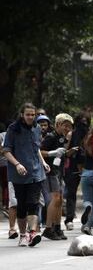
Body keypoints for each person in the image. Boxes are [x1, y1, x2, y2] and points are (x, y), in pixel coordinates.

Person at [3, 103, 50, 247]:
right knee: (22, 205)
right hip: (19, 174)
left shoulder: (37, 128)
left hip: (36, 172)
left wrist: (43, 163)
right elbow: (6, 151)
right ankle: (23, 234)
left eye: (33, 114)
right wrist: (17, 164)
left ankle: (33, 232)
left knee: (33, 203)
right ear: (22, 115)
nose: (30, 117)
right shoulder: (13, 129)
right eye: (28, 114)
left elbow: (36, 148)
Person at [41, 113, 76, 241]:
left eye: (69, 126)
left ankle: (57, 226)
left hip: (59, 171)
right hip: (51, 171)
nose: (67, 129)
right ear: (58, 125)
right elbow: (40, 152)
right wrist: (52, 153)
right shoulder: (50, 137)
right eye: (65, 126)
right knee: (55, 198)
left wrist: (68, 152)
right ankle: (48, 228)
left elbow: (62, 154)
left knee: (60, 200)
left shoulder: (63, 138)